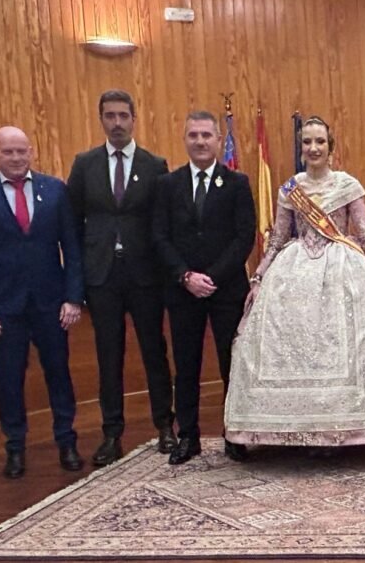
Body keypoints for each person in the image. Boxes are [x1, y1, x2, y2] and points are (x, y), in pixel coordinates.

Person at [224, 117, 365, 446]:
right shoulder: (290, 189)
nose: (313, 148)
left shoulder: (347, 185)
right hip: (295, 271)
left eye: (320, 142)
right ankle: (302, 429)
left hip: (343, 269)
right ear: (301, 149)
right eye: (307, 142)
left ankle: (346, 428)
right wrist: (258, 278)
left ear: (331, 147)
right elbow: (277, 239)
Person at [0, 126, 85, 478]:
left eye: (21, 151)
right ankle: (15, 447)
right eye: (8, 152)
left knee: (59, 373)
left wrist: (73, 298)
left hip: (51, 303)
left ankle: (67, 440)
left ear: (31, 152)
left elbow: (72, 248)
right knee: (9, 379)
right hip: (4, 307)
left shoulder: (55, 190)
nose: (15, 158)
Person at [67, 90, 176, 466]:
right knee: (108, 356)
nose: (117, 123)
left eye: (123, 116)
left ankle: (165, 425)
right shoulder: (85, 165)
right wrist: (77, 279)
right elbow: (72, 224)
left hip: (145, 275)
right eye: (110, 116)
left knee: (154, 352)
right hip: (102, 276)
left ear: (134, 119)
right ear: (101, 119)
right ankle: (112, 434)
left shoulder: (154, 165)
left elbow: (163, 224)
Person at [152, 110, 256, 465]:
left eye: (206, 135)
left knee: (232, 364)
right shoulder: (168, 185)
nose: (200, 141)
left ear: (218, 140)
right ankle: (188, 436)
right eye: (193, 135)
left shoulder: (237, 183)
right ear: (185, 139)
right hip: (183, 291)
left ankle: (235, 434)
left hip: (226, 290)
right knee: (186, 365)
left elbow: (244, 237)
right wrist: (186, 277)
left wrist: (211, 277)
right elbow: (159, 236)